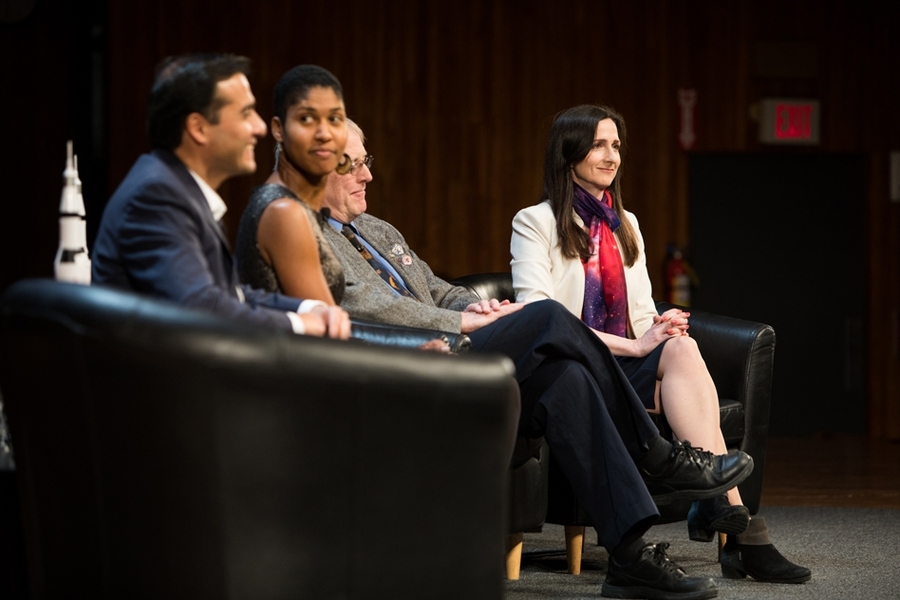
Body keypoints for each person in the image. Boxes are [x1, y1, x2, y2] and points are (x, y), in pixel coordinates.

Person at [305, 120, 755, 599]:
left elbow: (439, 289)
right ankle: (656, 453)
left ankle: (629, 558)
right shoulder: (305, 233)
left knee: (567, 379)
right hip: (418, 364)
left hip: (462, 354)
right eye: (352, 165)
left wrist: (472, 306)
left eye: (366, 161)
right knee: (547, 317)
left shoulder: (376, 227)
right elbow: (362, 305)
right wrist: (460, 324)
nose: (367, 175)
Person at [510, 104, 810, 584]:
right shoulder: (535, 222)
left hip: (629, 357)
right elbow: (539, 315)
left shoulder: (625, 223)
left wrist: (662, 325)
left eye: (617, 146)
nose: (612, 157)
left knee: (684, 346)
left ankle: (718, 507)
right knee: (667, 353)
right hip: (578, 365)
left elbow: (643, 312)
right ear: (569, 154)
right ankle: (740, 531)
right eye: (600, 145)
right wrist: (633, 346)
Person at [91, 53, 349, 339]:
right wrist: (300, 325)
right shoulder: (157, 196)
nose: (260, 127)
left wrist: (308, 308)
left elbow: (231, 295)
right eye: (245, 113)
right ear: (198, 128)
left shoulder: (173, 187)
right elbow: (200, 307)